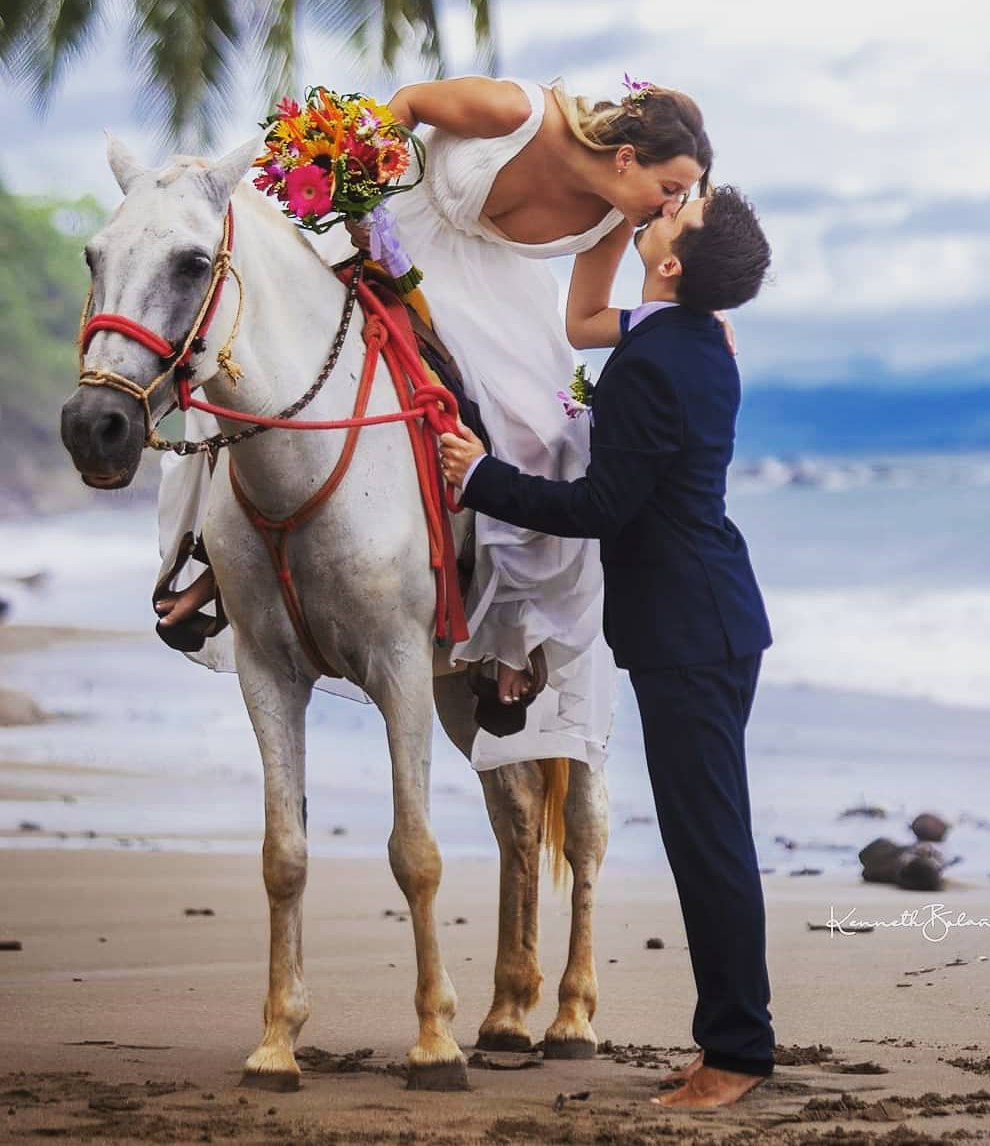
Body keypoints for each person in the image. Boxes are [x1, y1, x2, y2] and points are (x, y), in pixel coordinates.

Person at [155, 76, 726, 773]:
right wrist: (363, 187)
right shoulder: (518, 112)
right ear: (626, 156)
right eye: (672, 188)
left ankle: (510, 634)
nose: (673, 206)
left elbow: (582, 322)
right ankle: (209, 561)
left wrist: (671, 318)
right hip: (387, 233)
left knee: (547, 439)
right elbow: (412, 102)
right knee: (258, 361)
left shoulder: (613, 217)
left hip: (487, 299)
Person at [438, 185, 775, 1108]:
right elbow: (598, 314)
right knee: (713, 839)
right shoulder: (688, 337)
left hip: (687, 631)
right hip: (707, 620)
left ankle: (738, 1054)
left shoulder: (658, 360)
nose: (659, 216)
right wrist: (637, 207)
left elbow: (597, 510)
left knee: (709, 845)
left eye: (673, 220)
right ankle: (734, 1039)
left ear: (669, 265)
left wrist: (482, 479)